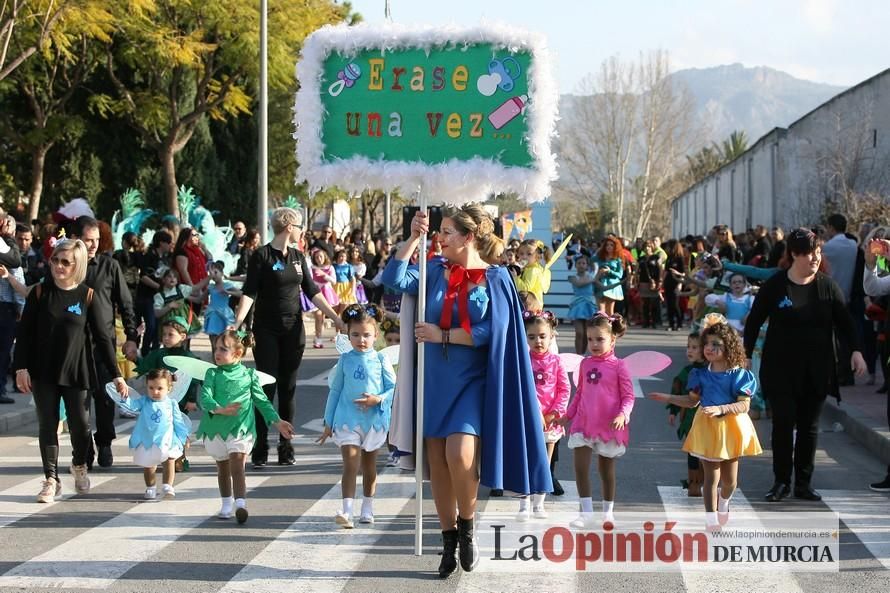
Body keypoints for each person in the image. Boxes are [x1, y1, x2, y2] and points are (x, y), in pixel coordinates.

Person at [382, 205, 551, 578]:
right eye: (438, 231)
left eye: (446, 232)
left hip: (473, 380)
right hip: (433, 379)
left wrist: (444, 335)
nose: (440, 238)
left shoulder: (497, 278)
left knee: (460, 455)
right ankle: (447, 540)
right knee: (438, 462)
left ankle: (468, 526)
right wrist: (413, 237)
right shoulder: (433, 271)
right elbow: (392, 277)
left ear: (468, 236)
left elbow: (498, 330)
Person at [744, 228, 866, 502]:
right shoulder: (775, 286)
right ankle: (781, 482)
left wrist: (856, 351)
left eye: (817, 252)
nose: (815, 257)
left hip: (817, 369)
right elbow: (753, 322)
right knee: (783, 423)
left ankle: (803, 483)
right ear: (794, 255)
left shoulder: (827, 286)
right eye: (809, 253)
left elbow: (846, 324)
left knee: (809, 427)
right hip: (780, 369)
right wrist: (745, 356)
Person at [13, 239, 126, 502]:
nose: (59, 266)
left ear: (77, 265)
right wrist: (21, 367)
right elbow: (25, 334)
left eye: (66, 262)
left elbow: (102, 338)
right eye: (55, 260)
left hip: (77, 371)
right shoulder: (40, 293)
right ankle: (50, 479)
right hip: (43, 371)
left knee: (81, 426)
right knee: (48, 425)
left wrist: (116, 373)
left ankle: (79, 464)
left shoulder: (87, 295)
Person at [232, 207, 343, 468]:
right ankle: (260, 445)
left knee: (288, 389)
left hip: (293, 329)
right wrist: (237, 324)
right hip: (266, 329)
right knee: (266, 387)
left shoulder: (297, 255)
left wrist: (335, 318)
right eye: (300, 226)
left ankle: (286, 445)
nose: (302, 231)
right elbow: (249, 292)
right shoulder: (261, 255)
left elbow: (313, 291)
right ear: (289, 226)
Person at [650, 318, 762, 530]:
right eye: (707, 344)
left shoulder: (739, 374)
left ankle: (724, 501)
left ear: (728, 346)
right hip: (707, 426)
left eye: (715, 344)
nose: (709, 348)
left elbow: (744, 406)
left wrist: (721, 409)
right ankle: (711, 520)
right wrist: (669, 398)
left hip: (731, 428)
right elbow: (692, 401)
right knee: (710, 477)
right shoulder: (699, 374)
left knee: (730, 482)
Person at [196, 329, 296, 523]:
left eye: (223, 349)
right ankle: (226, 503)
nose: (216, 353)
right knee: (223, 468)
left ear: (238, 353)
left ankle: (240, 504)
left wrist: (278, 421)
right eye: (216, 348)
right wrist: (219, 409)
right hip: (216, 427)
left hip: (240, 428)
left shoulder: (249, 375)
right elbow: (205, 397)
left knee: (237, 464)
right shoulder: (212, 373)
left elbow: (262, 402)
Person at [317, 304, 396, 528]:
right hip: (347, 420)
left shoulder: (381, 360)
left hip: (373, 421)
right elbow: (335, 391)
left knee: (369, 467)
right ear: (348, 334)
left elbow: (393, 388)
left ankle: (367, 508)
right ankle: (347, 511)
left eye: (366, 335)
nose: (361, 340)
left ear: (376, 335)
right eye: (355, 334)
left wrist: (378, 399)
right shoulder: (345, 360)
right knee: (351, 464)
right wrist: (328, 422)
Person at [73, 217, 140, 469]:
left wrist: (131, 336)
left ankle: (104, 443)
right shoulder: (67, 265)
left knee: (104, 396)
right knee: (79, 401)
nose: (92, 245)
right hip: (74, 345)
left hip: (104, 344)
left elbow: (126, 303)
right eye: (88, 240)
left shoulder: (109, 266)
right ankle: (84, 445)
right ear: (76, 238)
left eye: (96, 240)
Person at [559, 313, 634, 528]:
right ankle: (586, 513)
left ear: (613, 339)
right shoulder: (584, 364)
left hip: (609, 424)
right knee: (580, 468)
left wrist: (623, 414)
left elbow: (628, 396)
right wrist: (568, 414)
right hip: (583, 422)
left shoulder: (619, 366)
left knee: (605, 470)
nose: (594, 344)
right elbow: (580, 392)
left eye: (599, 339)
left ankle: (608, 513)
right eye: (590, 339)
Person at [517, 309, 569, 521]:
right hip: (527, 420)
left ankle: (539, 504)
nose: (537, 341)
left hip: (550, 423)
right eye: (531, 337)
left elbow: (564, 390)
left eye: (542, 336)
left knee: (544, 464)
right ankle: (524, 504)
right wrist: (533, 412)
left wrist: (553, 414)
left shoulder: (556, 362)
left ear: (551, 336)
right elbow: (519, 389)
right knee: (525, 462)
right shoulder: (522, 361)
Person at [108, 368, 190, 499]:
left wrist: (184, 436)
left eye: (159, 388)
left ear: (169, 389)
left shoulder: (171, 403)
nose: (155, 392)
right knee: (149, 465)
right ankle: (150, 487)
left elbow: (178, 422)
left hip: (167, 439)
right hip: (148, 439)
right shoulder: (144, 401)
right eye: (151, 388)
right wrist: (124, 398)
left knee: (170, 460)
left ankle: (167, 486)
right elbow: (133, 406)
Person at [665, 331, 707, 497]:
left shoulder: (711, 370)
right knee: (692, 451)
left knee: (705, 452)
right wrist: (674, 411)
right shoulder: (686, 371)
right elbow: (678, 390)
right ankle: (694, 483)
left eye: (694, 347)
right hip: (689, 418)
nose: (689, 350)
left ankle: (704, 480)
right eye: (688, 347)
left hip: (706, 418)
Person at [137, 230, 173, 356]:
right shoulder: (149, 256)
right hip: (147, 297)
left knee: (159, 328)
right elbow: (143, 277)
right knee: (151, 325)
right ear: (161, 243)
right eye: (168, 242)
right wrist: (158, 286)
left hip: (160, 298)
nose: (170, 245)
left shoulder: (166, 258)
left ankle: (155, 353)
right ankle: (145, 352)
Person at [305, 248, 339, 349]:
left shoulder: (330, 268)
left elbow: (334, 281)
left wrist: (324, 275)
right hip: (316, 293)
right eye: (316, 257)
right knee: (318, 316)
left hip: (327, 293)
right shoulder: (312, 268)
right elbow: (309, 280)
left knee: (323, 317)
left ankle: (319, 336)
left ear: (325, 257)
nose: (319, 259)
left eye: (321, 256)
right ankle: (318, 338)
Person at [203, 260, 240, 347]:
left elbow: (241, 294)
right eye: (210, 273)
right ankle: (214, 359)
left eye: (215, 272)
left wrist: (228, 292)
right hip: (212, 314)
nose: (213, 275)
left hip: (224, 314)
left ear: (222, 273)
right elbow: (199, 298)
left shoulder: (227, 285)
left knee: (224, 340)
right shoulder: (210, 287)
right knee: (213, 341)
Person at [822, 213, 858, 303]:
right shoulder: (853, 245)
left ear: (831, 227)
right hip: (847, 296)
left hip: (830, 296)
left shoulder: (827, 247)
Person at [566, 256, 598, 355]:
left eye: (583, 263)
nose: (581, 265)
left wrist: (619, 283)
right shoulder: (572, 277)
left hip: (589, 305)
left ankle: (582, 355)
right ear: (575, 265)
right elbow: (579, 284)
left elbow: (603, 287)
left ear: (587, 266)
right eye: (579, 263)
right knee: (579, 333)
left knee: (586, 334)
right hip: (578, 305)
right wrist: (594, 278)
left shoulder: (590, 276)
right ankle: (578, 355)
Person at [512, 239, 551, 305]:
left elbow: (525, 289)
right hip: (530, 305)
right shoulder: (528, 268)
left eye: (529, 254)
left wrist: (515, 277)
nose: (524, 256)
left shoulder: (533, 270)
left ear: (537, 256)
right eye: (521, 253)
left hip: (531, 306)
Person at [593, 237, 625, 316]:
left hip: (612, 286)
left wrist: (609, 271)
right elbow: (590, 260)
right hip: (600, 284)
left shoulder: (618, 259)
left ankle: (610, 327)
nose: (609, 247)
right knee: (600, 310)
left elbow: (620, 275)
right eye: (607, 245)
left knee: (610, 311)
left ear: (616, 247)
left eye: (612, 245)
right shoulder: (599, 257)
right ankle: (601, 327)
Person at [636, 240, 663, 329]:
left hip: (654, 282)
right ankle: (646, 322)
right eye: (645, 247)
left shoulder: (656, 257)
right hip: (644, 282)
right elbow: (637, 271)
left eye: (649, 247)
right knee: (645, 304)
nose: (647, 248)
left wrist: (659, 281)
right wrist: (636, 281)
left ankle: (656, 322)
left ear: (652, 248)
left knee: (655, 303)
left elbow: (660, 269)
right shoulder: (641, 259)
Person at [332, 249, 357, 313]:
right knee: (334, 308)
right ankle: (335, 321)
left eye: (344, 256)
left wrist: (353, 291)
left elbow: (353, 279)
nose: (342, 258)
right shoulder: (333, 266)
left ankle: (340, 321)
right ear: (337, 256)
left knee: (344, 308)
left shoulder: (349, 266)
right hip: (335, 287)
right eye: (341, 256)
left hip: (345, 287)